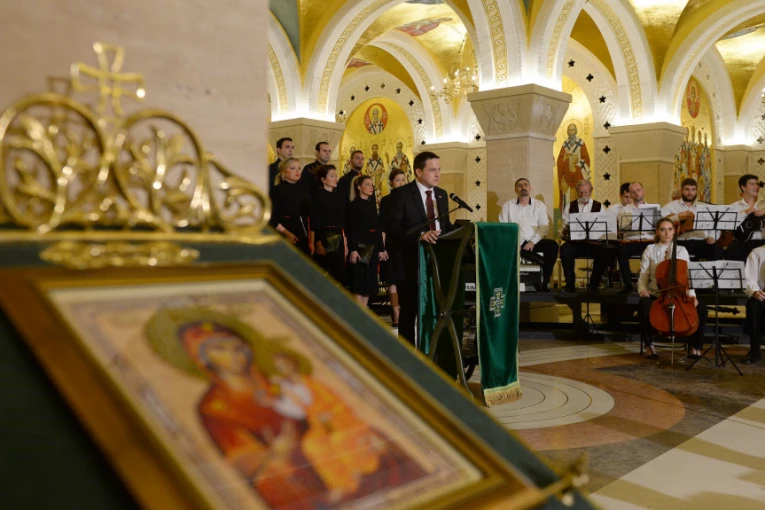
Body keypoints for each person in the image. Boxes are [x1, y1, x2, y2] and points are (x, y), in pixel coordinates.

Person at [387, 151, 455, 345]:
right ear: (418, 171)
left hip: (437, 263)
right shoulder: (401, 194)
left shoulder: (441, 194)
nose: (437, 174)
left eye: (439, 169)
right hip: (410, 262)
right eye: (432, 170)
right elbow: (393, 228)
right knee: (409, 311)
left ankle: (433, 351)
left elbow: (445, 226)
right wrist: (419, 236)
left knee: (436, 309)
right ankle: (407, 354)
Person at [637, 217, 708, 360]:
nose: (667, 233)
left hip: (679, 294)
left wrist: (692, 296)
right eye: (663, 230)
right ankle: (649, 345)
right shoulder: (650, 249)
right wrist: (642, 289)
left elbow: (687, 277)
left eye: (670, 229)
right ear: (657, 232)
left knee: (701, 309)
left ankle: (695, 346)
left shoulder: (681, 250)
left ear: (674, 231)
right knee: (643, 305)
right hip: (657, 294)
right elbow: (644, 275)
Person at [498, 178, 558, 291]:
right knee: (498, 247)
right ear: (515, 189)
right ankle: (505, 284)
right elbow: (503, 228)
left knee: (552, 246)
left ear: (530, 188)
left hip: (534, 242)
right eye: (519, 185)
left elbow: (544, 227)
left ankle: (544, 281)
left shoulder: (539, 205)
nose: (523, 187)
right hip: (514, 243)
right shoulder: (508, 206)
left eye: (525, 185)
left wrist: (532, 242)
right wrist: (514, 243)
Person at [559, 179, 609, 292]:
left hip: (594, 243)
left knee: (604, 251)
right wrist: (566, 229)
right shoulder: (570, 206)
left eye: (586, 192)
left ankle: (594, 284)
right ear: (577, 191)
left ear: (590, 191)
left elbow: (604, 226)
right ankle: (570, 284)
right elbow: (564, 225)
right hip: (575, 243)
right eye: (581, 192)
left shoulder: (599, 206)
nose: (583, 195)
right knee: (565, 249)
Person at [347, 175, 387, 307]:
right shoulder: (354, 205)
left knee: (368, 285)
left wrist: (381, 249)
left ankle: (363, 311)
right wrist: (353, 249)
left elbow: (377, 228)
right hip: (361, 247)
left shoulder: (371, 205)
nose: (371, 187)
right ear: (359, 187)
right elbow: (352, 229)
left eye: (371, 185)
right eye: (367, 184)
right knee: (360, 284)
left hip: (373, 247)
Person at [661, 177, 723, 261]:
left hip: (701, 241)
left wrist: (712, 236)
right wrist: (677, 217)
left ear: (696, 191)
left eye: (693, 190)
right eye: (687, 189)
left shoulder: (705, 207)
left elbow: (715, 226)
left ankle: (711, 270)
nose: (690, 193)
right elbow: (660, 223)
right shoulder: (670, 206)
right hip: (679, 242)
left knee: (716, 249)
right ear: (681, 191)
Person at [311, 165, 348, 286]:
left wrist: (345, 241)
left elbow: (343, 219)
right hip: (325, 236)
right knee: (328, 269)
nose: (335, 178)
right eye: (332, 176)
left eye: (336, 176)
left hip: (339, 235)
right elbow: (316, 221)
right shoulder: (318, 196)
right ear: (323, 179)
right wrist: (318, 242)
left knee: (340, 271)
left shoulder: (340, 196)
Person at [380, 169, 407, 326]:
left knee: (405, 278)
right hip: (391, 243)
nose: (401, 183)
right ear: (391, 182)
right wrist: (382, 248)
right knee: (392, 278)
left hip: (407, 243)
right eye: (398, 180)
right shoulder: (386, 200)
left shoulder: (410, 199)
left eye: (403, 180)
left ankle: (405, 310)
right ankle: (395, 310)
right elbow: (383, 226)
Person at [615, 182, 654, 293]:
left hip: (648, 240)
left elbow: (658, 226)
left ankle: (652, 283)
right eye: (633, 191)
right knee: (621, 251)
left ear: (643, 191)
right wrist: (634, 223)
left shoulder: (653, 208)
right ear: (630, 195)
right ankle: (628, 284)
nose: (636, 193)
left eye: (638, 190)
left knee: (657, 250)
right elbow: (622, 228)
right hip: (631, 241)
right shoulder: (624, 210)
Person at [269, 158, 311, 255]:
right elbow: (271, 217)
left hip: (303, 233)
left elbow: (309, 215)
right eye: (293, 168)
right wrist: (286, 233)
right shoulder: (276, 190)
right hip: (283, 233)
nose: (297, 171)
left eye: (299, 168)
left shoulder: (304, 190)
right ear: (284, 171)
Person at [725, 174, 765, 262]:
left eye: (757, 184)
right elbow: (727, 225)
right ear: (743, 187)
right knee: (732, 251)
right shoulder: (734, 206)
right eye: (752, 184)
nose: (756, 186)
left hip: (763, 242)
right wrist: (745, 212)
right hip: (742, 243)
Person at [557, 123, 591, 214]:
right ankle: (566, 218)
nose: (571, 132)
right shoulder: (565, 145)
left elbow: (586, 158)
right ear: (567, 132)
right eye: (569, 130)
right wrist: (565, 159)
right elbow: (560, 160)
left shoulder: (580, 143)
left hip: (578, 176)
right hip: (566, 177)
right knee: (567, 199)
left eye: (573, 130)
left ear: (576, 131)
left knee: (579, 196)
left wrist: (578, 163)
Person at [743, 245, 765, 364]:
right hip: (763, 294)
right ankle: (755, 351)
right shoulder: (757, 252)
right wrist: (755, 292)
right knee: (753, 305)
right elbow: (750, 278)